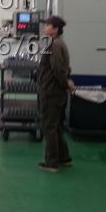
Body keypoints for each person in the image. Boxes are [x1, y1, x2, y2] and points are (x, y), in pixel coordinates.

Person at [38, 15, 76, 173]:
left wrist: (66, 84)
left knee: (49, 127)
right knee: (57, 126)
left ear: (55, 29)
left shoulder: (54, 45)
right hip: (57, 92)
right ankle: (65, 158)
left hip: (51, 92)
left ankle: (52, 162)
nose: (45, 27)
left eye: (47, 25)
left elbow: (58, 70)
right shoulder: (60, 43)